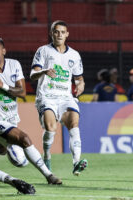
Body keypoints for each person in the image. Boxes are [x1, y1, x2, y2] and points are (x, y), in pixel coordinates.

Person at [0, 36, 62, 185]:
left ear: (4, 51)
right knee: (24, 139)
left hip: (11, 119)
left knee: (0, 150)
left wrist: (2, 85)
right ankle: (49, 175)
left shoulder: (14, 64)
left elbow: (22, 92)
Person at [30, 20, 87, 175]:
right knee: (51, 127)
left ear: (67, 34)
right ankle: (47, 157)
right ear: (51, 33)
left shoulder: (74, 55)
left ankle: (76, 162)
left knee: (74, 123)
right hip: (47, 96)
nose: (59, 34)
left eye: (62, 32)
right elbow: (32, 75)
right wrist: (43, 71)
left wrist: (80, 85)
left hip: (65, 97)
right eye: (56, 31)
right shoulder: (43, 51)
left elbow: (79, 78)